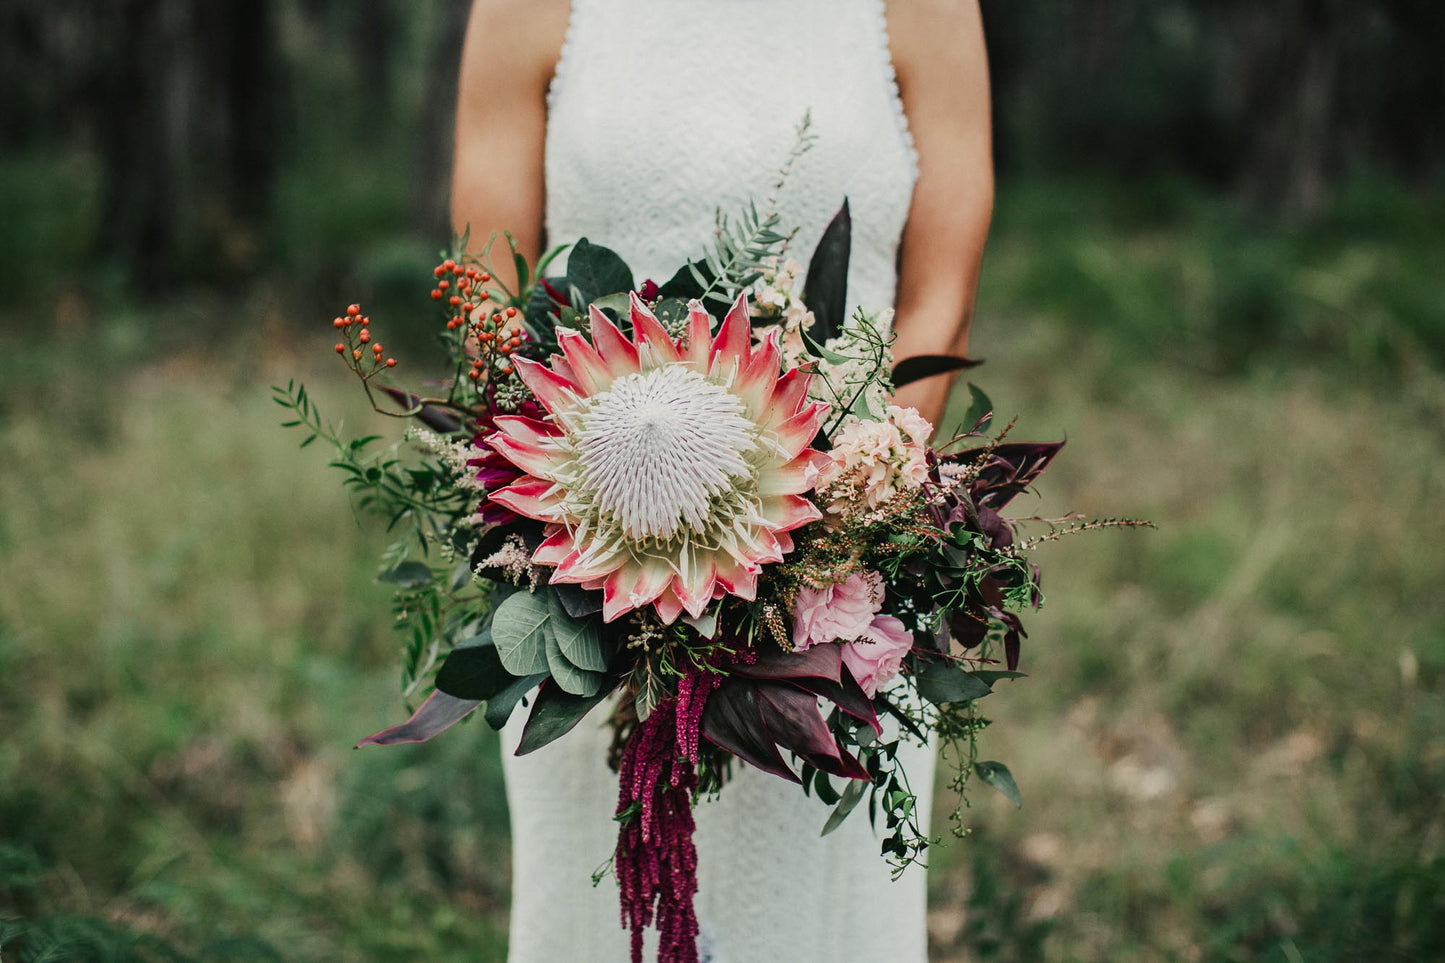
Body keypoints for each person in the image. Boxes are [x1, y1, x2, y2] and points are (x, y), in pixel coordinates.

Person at [451, 1, 992, 959]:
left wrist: (849, 520)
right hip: (590, 580)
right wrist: (588, 528)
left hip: (832, 597)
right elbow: (489, 286)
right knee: (596, 911)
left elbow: (938, 290)